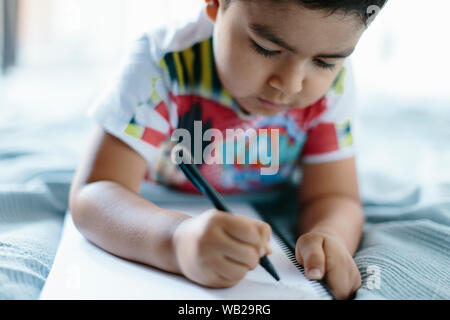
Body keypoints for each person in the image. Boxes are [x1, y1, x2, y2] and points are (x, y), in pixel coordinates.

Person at [69, 0, 387, 299]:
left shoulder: (335, 87)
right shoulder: (162, 62)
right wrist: (175, 240)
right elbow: (94, 193)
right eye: (266, 48)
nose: (290, 84)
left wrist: (331, 235)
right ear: (215, 4)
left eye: (325, 62)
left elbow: (335, 196)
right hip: (158, 204)